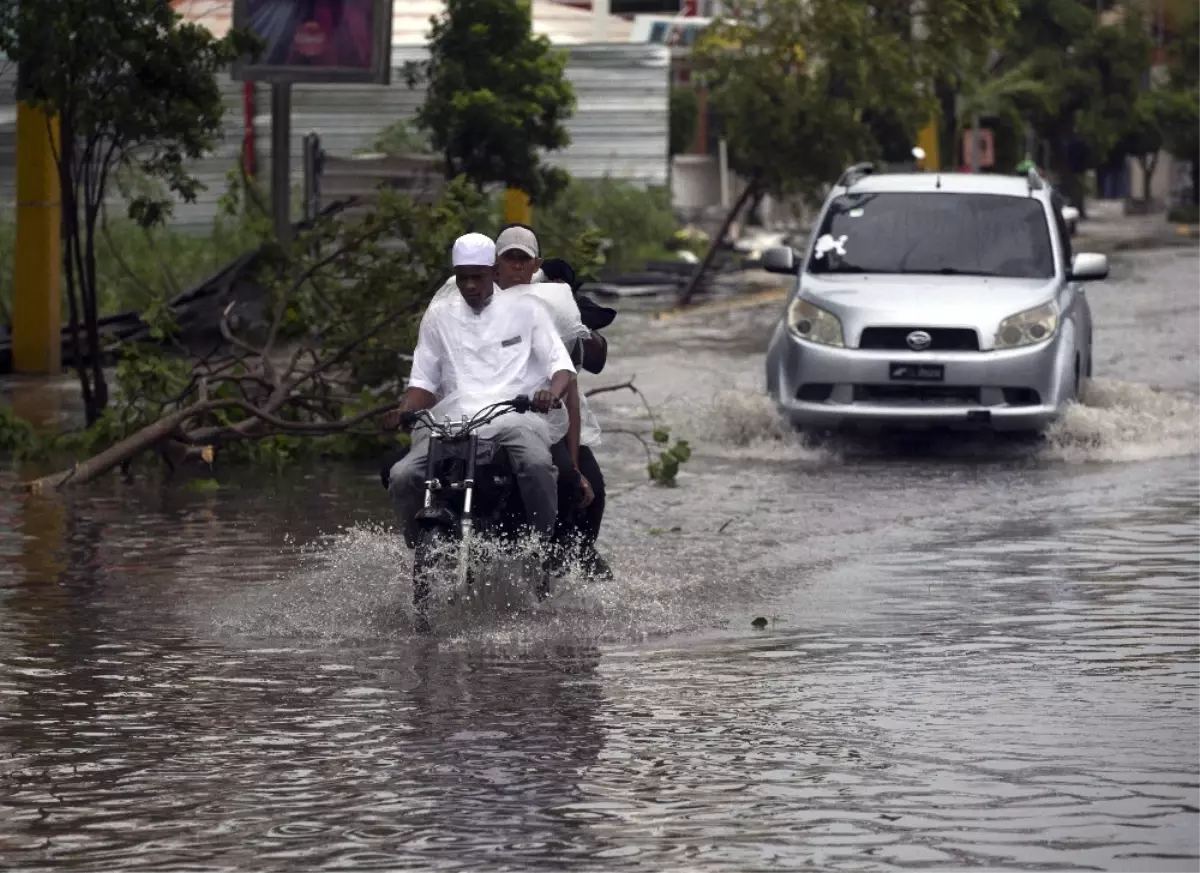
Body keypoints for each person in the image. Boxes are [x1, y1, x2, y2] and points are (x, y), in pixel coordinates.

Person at [384, 232, 576, 561]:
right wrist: (403, 410)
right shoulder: (439, 315)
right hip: (452, 418)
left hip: (514, 415)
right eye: (463, 278)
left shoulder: (528, 310)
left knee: (537, 464)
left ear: (494, 273)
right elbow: (423, 382)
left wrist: (550, 394)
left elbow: (562, 367)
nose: (470, 285)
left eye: (478, 277)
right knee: (402, 475)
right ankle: (419, 555)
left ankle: (540, 547)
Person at [494, 224, 614, 579]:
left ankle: (573, 557)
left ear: (536, 265)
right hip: (482, 408)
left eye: (523, 259)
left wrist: (572, 321)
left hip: (546, 410)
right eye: (508, 258)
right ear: (494, 263)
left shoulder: (553, 303)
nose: (516, 266)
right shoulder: (469, 299)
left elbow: (587, 368)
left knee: (586, 483)